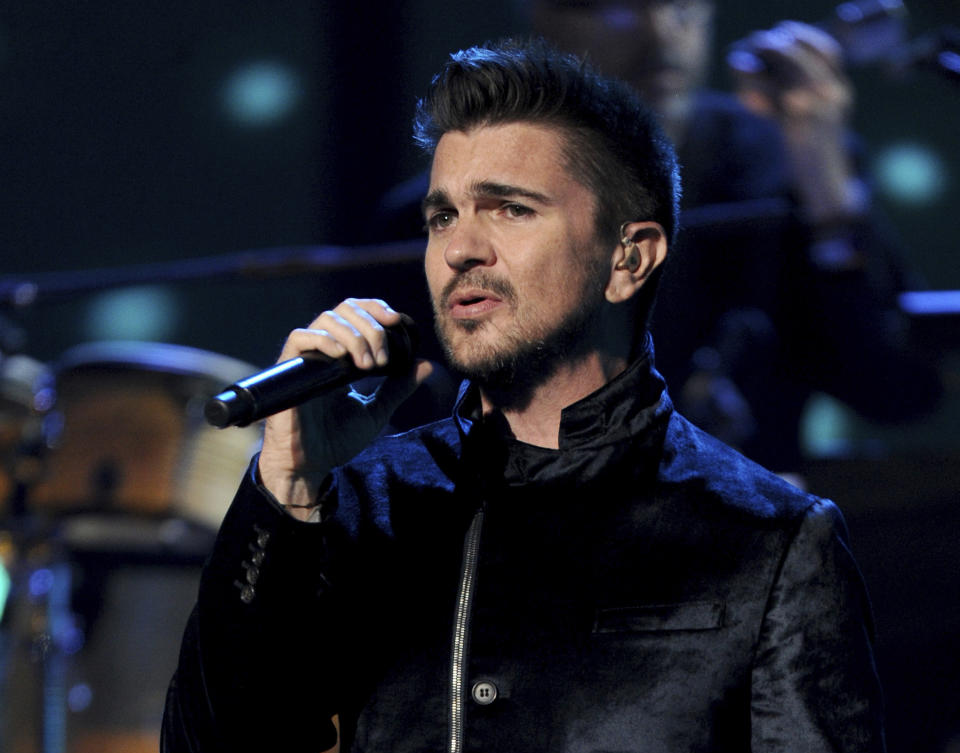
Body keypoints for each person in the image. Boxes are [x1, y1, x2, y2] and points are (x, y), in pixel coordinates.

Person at [161, 40, 887, 753]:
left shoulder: (769, 538)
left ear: (629, 258)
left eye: (508, 208)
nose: (460, 249)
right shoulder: (370, 500)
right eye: (442, 217)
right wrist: (283, 490)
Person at [378, 1, 942, 472]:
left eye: (681, 4)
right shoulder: (437, 220)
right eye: (621, 4)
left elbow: (896, 391)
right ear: (546, 17)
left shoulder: (785, 166)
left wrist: (830, 198)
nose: (661, 31)